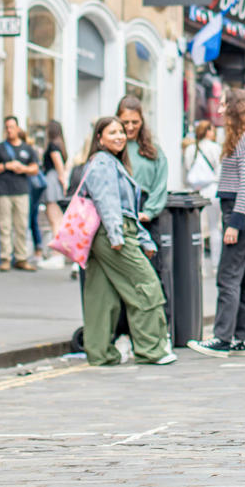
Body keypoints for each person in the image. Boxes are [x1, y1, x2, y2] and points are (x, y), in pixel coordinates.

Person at [78, 116, 177, 366]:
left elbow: (127, 208)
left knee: (102, 295)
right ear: (99, 139)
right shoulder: (102, 162)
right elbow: (106, 201)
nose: (120, 136)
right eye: (112, 133)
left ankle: (100, 354)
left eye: (121, 132)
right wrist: (116, 235)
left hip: (112, 232)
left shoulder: (111, 162)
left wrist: (143, 237)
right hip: (114, 233)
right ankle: (151, 349)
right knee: (146, 285)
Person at [188, 89, 245, 357]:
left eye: (224, 106)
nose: (219, 111)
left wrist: (235, 224)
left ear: (237, 109)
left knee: (227, 276)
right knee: (242, 277)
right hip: (240, 212)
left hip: (240, 213)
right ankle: (243, 338)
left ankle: (222, 337)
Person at [118, 97, 169, 273]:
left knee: (151, 268)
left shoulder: (152, 150)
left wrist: (149, 211)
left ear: (142, 122)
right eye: (125, 122)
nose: (130, 127)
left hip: (145, 212)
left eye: (135, 122)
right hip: (119, 212)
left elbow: (160, 182)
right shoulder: (114, 148)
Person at [0, 117, 41, 272]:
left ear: (18, 128)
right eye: (7, 127)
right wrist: (6, 166)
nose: (9, 130)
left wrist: (22, 169)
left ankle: (21, 258)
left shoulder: (27, 148)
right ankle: (5, 258)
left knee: (21, 225)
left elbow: (35, 168)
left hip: (22, 191)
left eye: (12, 127)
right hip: (4, 191)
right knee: (4, 225)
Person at [33, 122, 70, 269]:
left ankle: (57, 255)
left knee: (54, 220)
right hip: (55, 180)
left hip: (52, 181)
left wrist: (62, 181)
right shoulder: (60, 145)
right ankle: (60, 253)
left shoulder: (53, 146)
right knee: (58, 220)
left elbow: (59, 164)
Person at [188, 119, 223, 263]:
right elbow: (220, 170)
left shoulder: (191, 149)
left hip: (197, 191)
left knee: (198, 229)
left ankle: (199, 263)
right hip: (213, 190)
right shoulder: (216, 148)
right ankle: (216, 263)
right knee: (215, 227)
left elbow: (187, 167)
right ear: (208, 132)